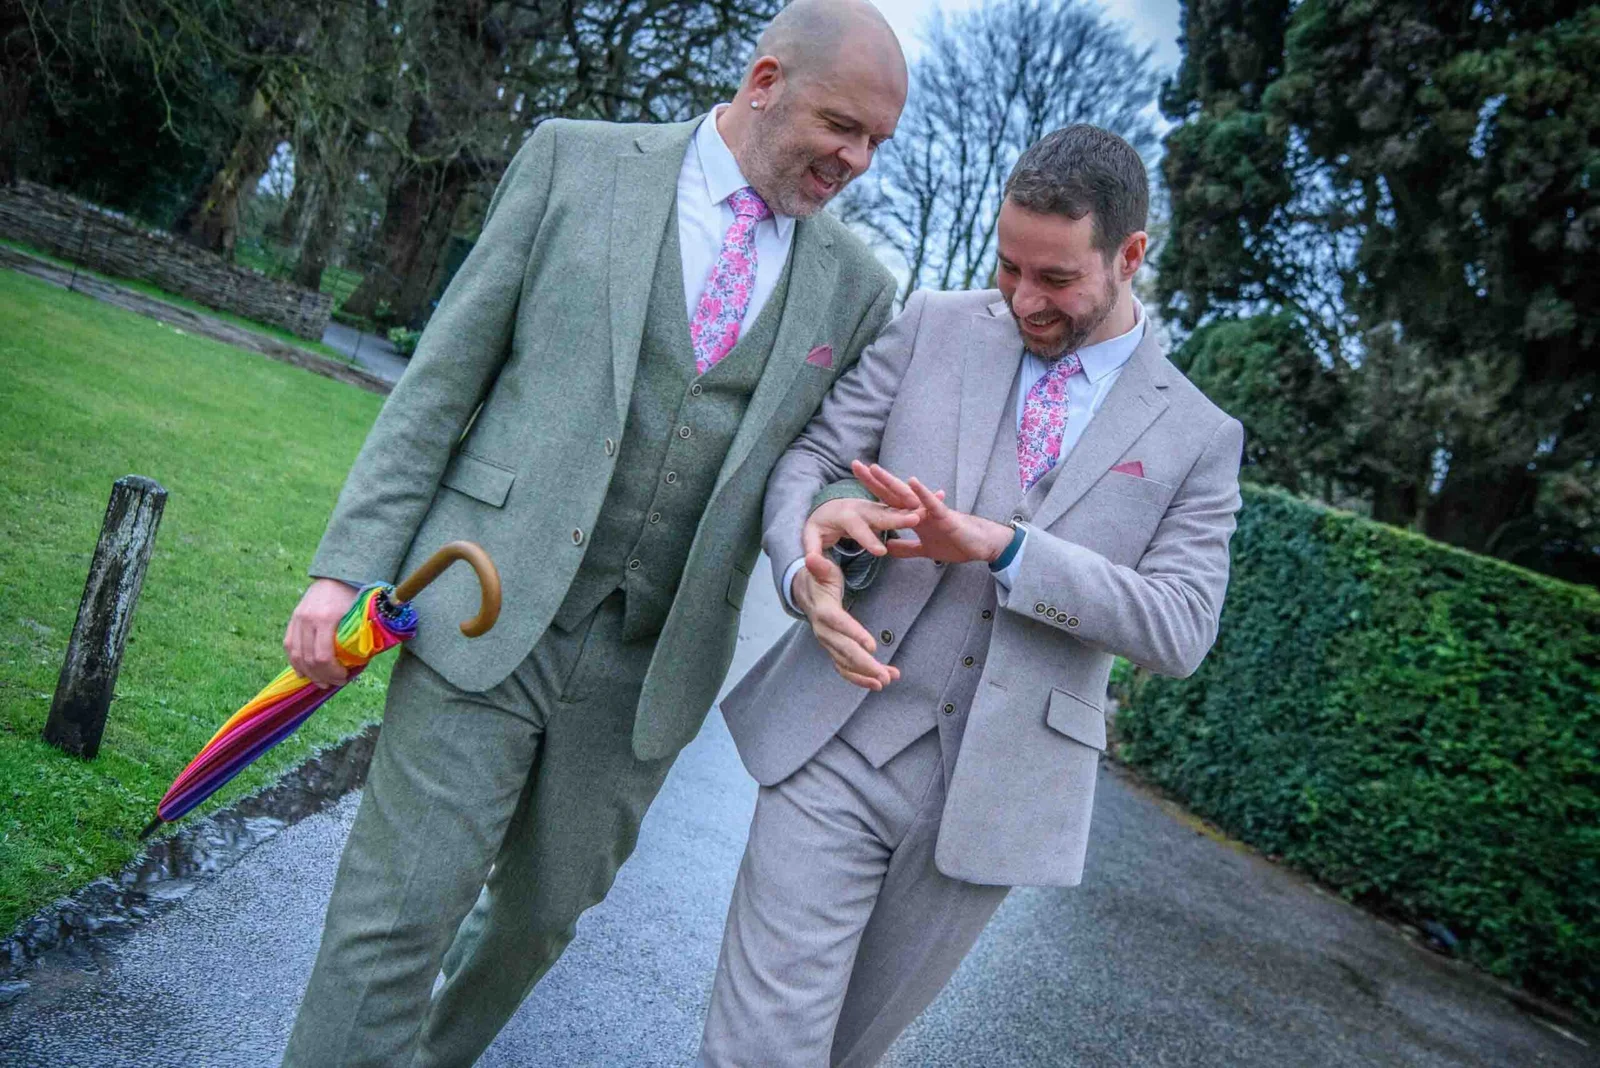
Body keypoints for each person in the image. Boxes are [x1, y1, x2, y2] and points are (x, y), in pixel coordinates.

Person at [278, 3, 910, 1064]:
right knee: (394, 919)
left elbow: (825, 467)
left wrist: (830, 522)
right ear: (764, 83)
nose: (856, 160)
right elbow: (441, 382)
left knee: (532, 928)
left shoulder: (859, 289)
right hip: (481, 603)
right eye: (841, 126)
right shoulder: (574, 162)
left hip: (649, 663)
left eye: (876, 142)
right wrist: (345, 571)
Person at [701, 125, 1246, 1066]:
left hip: (996, 796)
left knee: (846, 1052)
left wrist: (1009, 550)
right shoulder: (933, 324)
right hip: (835, 739)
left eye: (1057, 279)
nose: (1024, 298)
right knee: (763, 1048)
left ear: (1130, 256)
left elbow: (1182, 626)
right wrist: (812, 548)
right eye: (1009, 267)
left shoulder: (1200, 436)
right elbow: (816, 458)